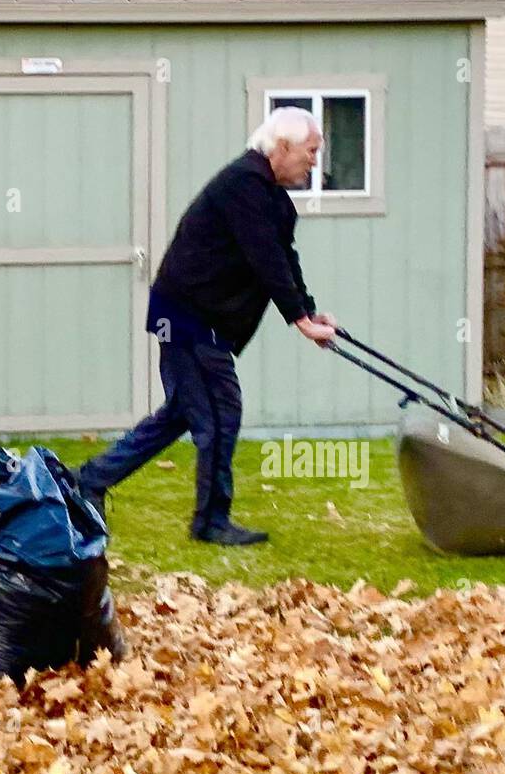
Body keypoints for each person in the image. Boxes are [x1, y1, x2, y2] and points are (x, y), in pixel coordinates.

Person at [79, 107, 338, 546]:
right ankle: (211, 522)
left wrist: (309, 312)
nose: (316, 161)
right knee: (220, 413)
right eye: (311, 151)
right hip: (186, 317)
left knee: (181, 413)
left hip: (185, 315)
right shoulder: (243, 186)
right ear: (283, 147)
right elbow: (264, 258)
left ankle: (87, 482)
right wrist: (297, 320)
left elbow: (284, 258)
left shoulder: (272, 197)